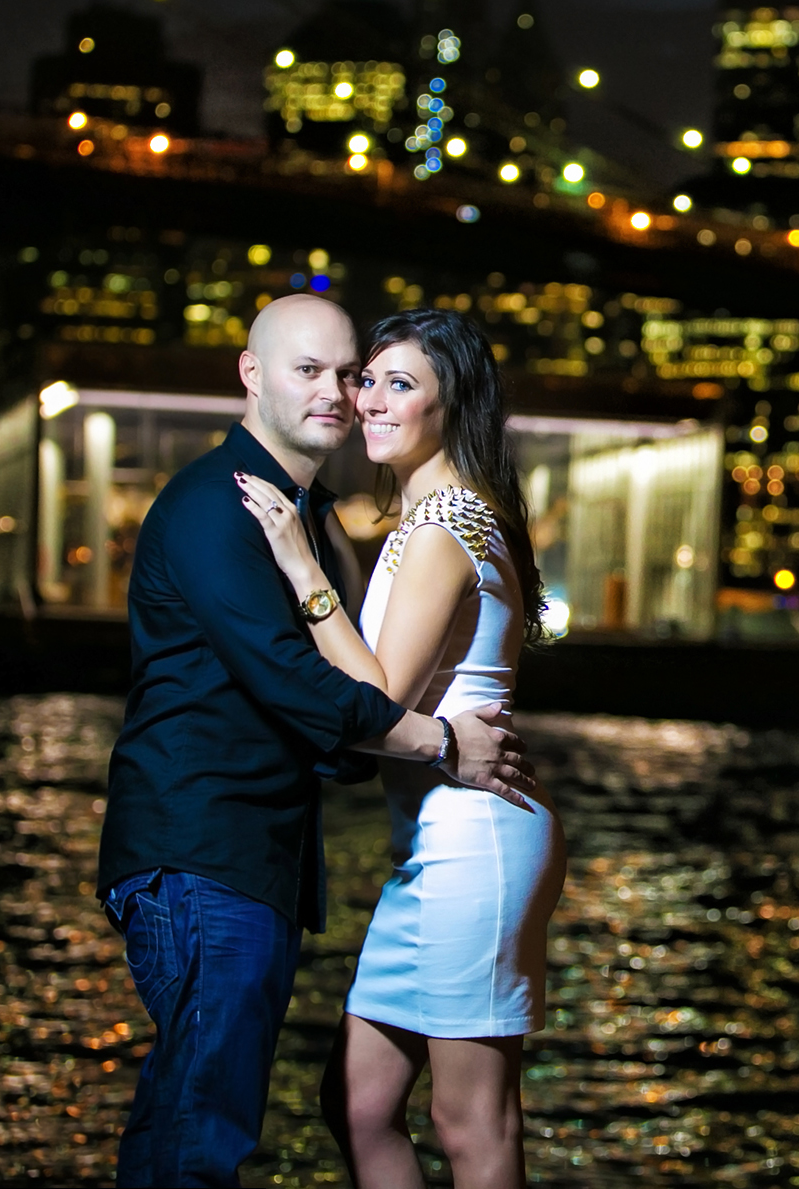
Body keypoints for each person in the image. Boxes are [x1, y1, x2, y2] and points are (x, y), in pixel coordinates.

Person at [97, 294, 538, 1188]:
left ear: (451, 404)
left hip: (290, 854)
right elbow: (298, 683)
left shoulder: (326, 518)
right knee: (214, 1122)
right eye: (323, 372)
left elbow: (340, 703)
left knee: (296, 1112)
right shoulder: (222, 509)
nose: (348, 395)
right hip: (204, 853)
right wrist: (436, 741)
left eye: (361, 374)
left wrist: (313, 567)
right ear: (252, 376)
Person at [235, 307, 565, 1189]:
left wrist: (304, 572)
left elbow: (376, 698)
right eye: (366, 379)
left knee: (472, 1123)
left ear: (450, 405)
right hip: (436, 844)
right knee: (356, 1104)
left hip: (475, 843)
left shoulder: (446, 523)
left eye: (399, 383)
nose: (368, 400)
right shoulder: (430, 519)